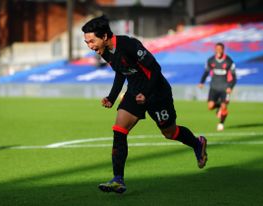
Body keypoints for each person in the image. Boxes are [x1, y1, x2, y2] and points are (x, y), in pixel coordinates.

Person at [82, 15, 208, 194]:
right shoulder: (105, 52)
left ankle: (197, 143)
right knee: (119, 130)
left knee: (170, 132)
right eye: (86, 42)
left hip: (157, 93)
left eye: (91, 41)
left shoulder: (129, 45)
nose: (90, 46)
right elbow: (120, 72)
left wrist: (147, 93)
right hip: (134, 92)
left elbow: (155, 69)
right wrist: (111, 97)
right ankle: (118, 179)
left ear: (104, 37)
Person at [198, 43, 237, 131]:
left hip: (225, 88)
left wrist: (230, 87)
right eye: (217, 49)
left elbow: (234, 77)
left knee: (224, 107)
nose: (218, 50)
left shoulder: (229, 61)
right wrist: (202, 82)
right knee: (210, 106)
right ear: (215, 50)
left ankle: (221, 123)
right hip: (214, 87)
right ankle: (218, 106)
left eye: (220, 49)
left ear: (223, 50)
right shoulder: (211, 60)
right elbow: (206, 72)